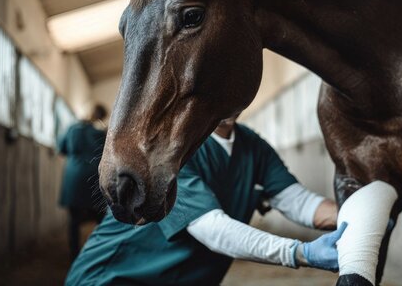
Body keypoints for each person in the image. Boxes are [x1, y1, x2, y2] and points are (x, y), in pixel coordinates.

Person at [65, 116, 346, 285]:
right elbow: (213, 229)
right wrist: (301, 253)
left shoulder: (251, 145)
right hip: (115, 278)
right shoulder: (170, 146)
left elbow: (299, 202)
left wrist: (352, 215)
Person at [58, 104, 108, 259]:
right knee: (100, 219)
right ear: (102, 116)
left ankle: (74, 255)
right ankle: (97, 253)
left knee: (74, 220)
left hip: (74, 178)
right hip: (95, 178)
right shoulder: (103, 133)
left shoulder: (72, 129)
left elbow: (61, 147)